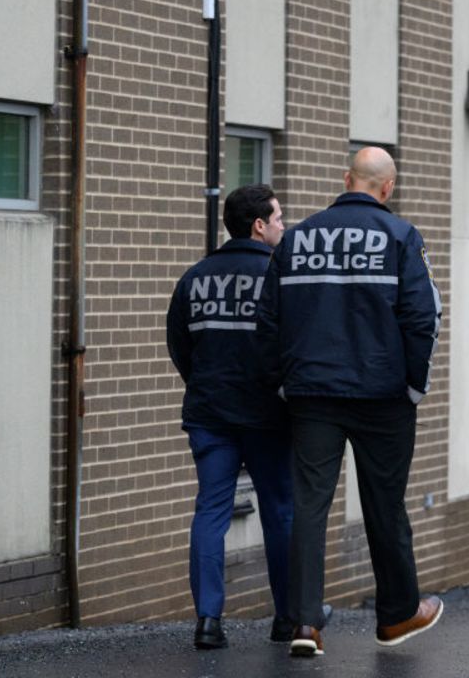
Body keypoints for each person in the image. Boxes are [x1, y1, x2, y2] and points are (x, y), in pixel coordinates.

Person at [257, 148, 444, 657]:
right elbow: (423, 317)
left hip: (312, 393)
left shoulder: (295, 238)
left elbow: (268, 319)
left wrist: (282, 381)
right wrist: (413, 386)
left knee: (309, 506)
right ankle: (397, 615)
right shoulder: (401, 237)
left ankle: (303, 623)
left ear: (346, 180)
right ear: (388, 188)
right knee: (385, 506)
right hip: (382, 395)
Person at [165, 184, 294, 649]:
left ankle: (207, 621)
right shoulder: (280, 278)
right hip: (268, 417)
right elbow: (292, 348)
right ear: (259, 226)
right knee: (280, 513)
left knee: (210, 512)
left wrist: (206, 387)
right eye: (279, 219)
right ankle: (287, 618)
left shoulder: (195, 277)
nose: (284, 226)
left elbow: (181, 349)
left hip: (210, 414)